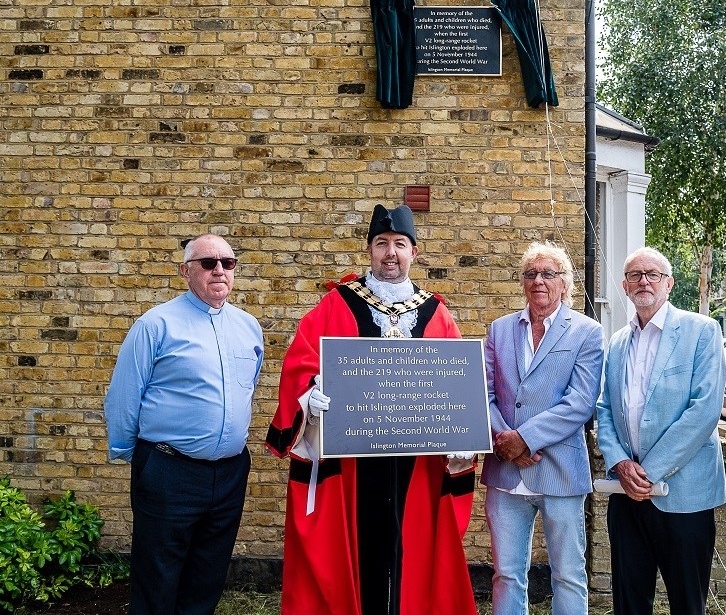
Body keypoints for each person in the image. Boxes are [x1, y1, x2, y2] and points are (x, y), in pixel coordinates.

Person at [265, 204, 477, 615]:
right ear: (369, 250)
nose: (390, 253)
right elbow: (300, 363)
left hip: (417, 463)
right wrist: (310, 395)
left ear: (414, 252)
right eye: (382, 244)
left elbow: (458, 384)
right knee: (362, 557)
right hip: (354, 465)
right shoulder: (337, 304)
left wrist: (464, 435)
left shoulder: (437, 312)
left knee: (411, 551)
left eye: (400, 244)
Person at [104, 234, 264, 615]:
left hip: (228, 473)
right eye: (208, 263)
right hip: (168, 470)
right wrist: (139, 458)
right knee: (157, 580)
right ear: (185, 270)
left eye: (228, 262)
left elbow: (248, 389)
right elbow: (125, 395)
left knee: (206, 578)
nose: (220, 270)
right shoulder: (155, 325)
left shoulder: (248, 326)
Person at [595, 247, 726, 615]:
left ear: (668, 283)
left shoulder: (702, 331)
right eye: (635, 275)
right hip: (626, 493)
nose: (643, 281)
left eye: (652, 274)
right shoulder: (618, 341)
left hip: (684, 494)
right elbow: (604, 408)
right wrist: (620, 462)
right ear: (624, 285)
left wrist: (648, 473)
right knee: (630, 601)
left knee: (687, 602)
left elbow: (704, 411)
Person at [481, 242, 604, 615]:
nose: (539, 281)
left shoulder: (587, 332)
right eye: (531, 274)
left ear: (564, 283)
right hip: (505, 472)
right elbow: (483, 393)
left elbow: (580, 402)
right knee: (506, 574)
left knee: (567, 574)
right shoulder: (499, 329)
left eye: (548, 274)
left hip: (560, 471)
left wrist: (525, 439)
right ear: (522, 282)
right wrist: (505, 441)